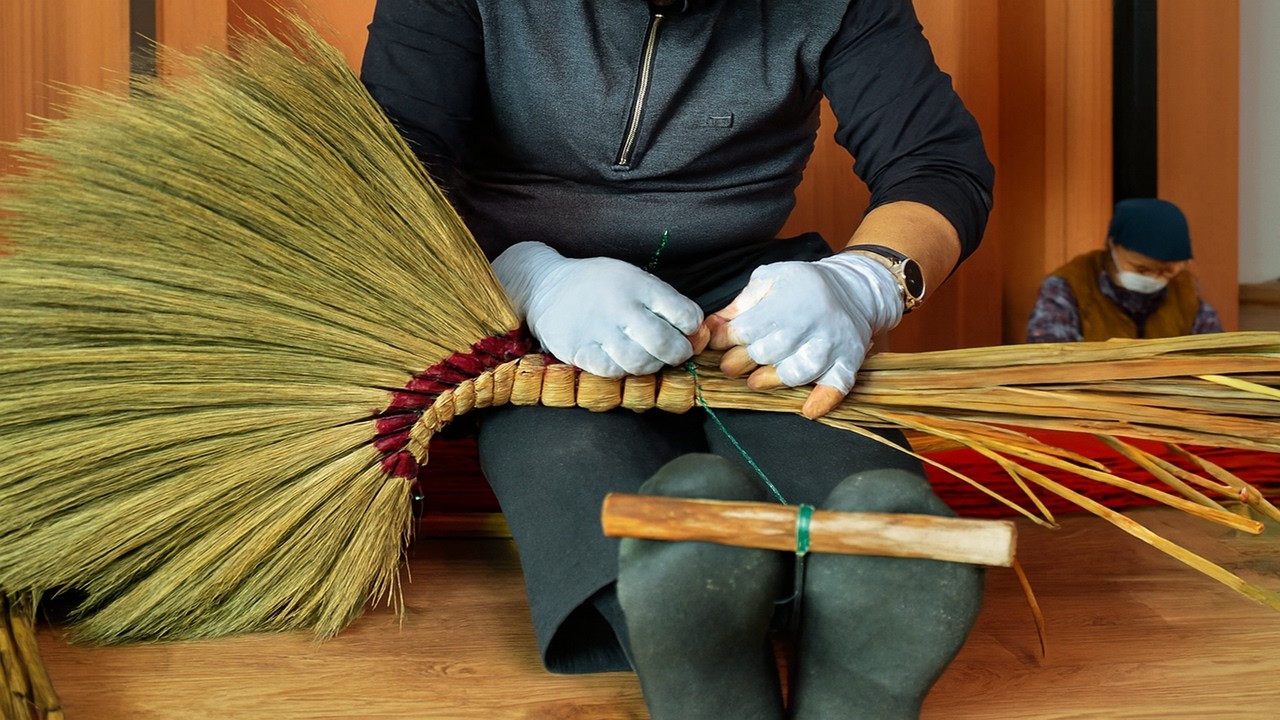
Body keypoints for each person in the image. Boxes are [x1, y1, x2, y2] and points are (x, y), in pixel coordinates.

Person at [361, 1, 994, 717]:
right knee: (563, 449)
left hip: (744, 294)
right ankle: (687, 634)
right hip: (522, 303)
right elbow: (390, 177)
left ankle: (856, 618)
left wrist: (866, 282)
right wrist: (522, 280)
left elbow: (937, 164)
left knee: (842, 454)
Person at [1026, 198, 1223, 343]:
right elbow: (1049, 357)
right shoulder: (1068, 287)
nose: (1154, 278)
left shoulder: (1184, 290)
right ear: (1112, 247)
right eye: (1142, 269)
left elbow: (1213, 351)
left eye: (1167, 272)